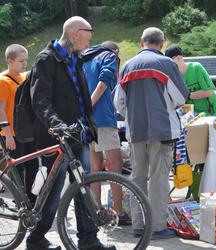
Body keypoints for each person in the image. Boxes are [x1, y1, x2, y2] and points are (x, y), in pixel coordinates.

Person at [29, 16, 116, 250]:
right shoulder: (46, 59)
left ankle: (88, 240)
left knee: (83, 188)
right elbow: (40, 100)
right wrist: (57, 124)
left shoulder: (74, 58)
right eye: (87, 39)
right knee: (53, 195)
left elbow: (80, 98)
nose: (88, 44)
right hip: (56, 138)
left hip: (78, 136)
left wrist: (87, 125)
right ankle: (36, 240)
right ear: (75, 34)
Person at [114, 27, 189, 239]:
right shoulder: (167, 64)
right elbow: (181, 97)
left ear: (141, 42)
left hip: (135, 131)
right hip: (162, 129)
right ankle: (156, 226)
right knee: (158, 178)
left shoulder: (128, 65)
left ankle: (138, 225)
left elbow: (118, 102)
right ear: (162, 44)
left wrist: (133, 116)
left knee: (137, 176)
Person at [82, 41, 130, 225]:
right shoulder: (109, 57)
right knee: (115, 163)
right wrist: (89, 106)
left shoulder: (85, 57)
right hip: (102, 118)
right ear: (115, 51)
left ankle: (97, 210)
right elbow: (103, 84)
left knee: (95, 166)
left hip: (86, 121)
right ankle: (119, 212)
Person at [0, 44, 38, 199]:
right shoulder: (3, 81)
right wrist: (8, 135)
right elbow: (0, 110)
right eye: (21, 61)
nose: (25, 64)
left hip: (26, 131)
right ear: (10, 61)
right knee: (18, 169)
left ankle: (31, 199)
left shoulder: (23, 78)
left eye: (26, 61)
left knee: (33, 166)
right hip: (12, 134)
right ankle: (20, 202)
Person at [164, 44, 216, 117]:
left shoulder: (196, 67)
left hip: (212, 114)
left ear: (179, 57)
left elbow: (208, 92)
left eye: (170, 61)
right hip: (194, 117)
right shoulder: (174, 76)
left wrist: (188, 95)